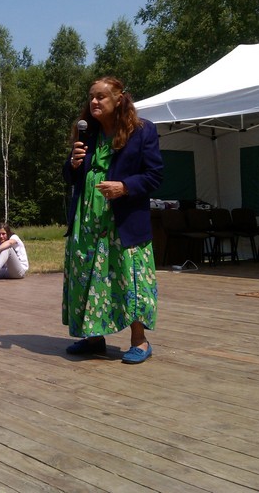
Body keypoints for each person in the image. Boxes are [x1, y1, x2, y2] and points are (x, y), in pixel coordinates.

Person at [63, 76, 163, 364]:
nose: (94, 101)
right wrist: (73, 164)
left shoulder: (142, 131)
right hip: (87, 220)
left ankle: (139, 341)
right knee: (87, 276)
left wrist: (125, 187)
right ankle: (93, 337)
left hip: (123, 220)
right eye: (91, 97)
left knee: (129, 277)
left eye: (101, 96)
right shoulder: (87, 134)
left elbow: (155, 175)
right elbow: (70, 177)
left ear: (119, 99)